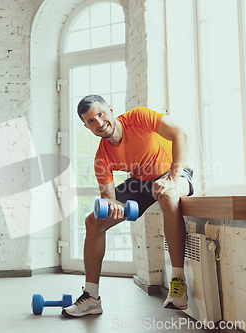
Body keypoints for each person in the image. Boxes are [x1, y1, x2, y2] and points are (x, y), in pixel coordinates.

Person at [62, 95, 194, 317]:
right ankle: (91, 297)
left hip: (175, 172)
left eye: (100, 114)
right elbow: (108, 196)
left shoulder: (138, 117)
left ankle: (178, 284)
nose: (99, 123)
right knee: (93, 222)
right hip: (141, 183)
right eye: (91, 121)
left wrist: (172, 178)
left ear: (110, 110)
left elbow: (181, 133)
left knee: (168, 196)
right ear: (87, 127)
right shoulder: (102, 157)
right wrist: (112, 203)